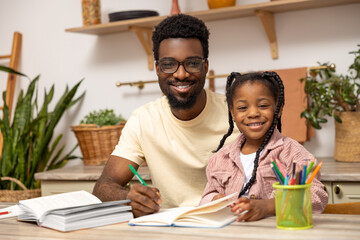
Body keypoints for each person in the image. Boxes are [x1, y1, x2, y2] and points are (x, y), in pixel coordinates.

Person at [92, 14, 239, 217]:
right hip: (170, 227)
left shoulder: (237, 113)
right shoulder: (143, 120)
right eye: (169, 64)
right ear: (157, 69)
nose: (180, 74)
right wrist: (127, 198)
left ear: (205, 67)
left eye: (192, 63)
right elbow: (103, 187)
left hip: (231, 222)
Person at [200, 71, 328, 221]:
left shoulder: (293, 153)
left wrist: (269, 206)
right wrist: (216, 200)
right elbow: (206, 197)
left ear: (278, 110)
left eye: (263, 105)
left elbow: (317, 197)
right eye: (242, 108)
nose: (253, 113)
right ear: (232, 113)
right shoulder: (220, 158)